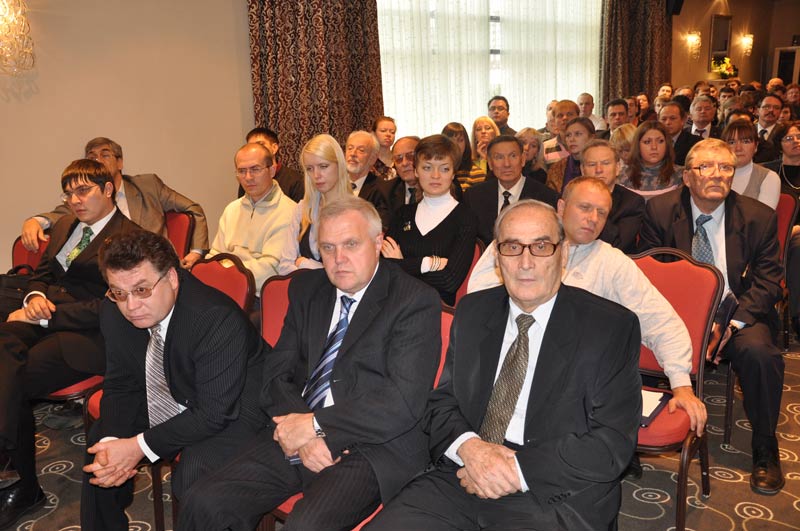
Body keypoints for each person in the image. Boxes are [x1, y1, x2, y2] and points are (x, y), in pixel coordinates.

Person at [368, 199, 642, 531]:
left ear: (563, 254)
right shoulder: (473, 311)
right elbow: (442, 403)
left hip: (553, 491)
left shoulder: (610, 327)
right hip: (466, 470)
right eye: (512, 247)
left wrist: (515, 470)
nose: (525, 263)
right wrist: (471, 450)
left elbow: (612, 443)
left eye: (541, 246)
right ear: (498, 258)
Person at [179, 196, 442, 530]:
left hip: (370, 448)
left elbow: (401, 402)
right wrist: (303, 431)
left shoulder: (413, 300)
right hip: (297, 427)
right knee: (204, 501)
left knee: (305, 526)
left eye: (351, 244)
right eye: (328, 248)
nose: (338, 259)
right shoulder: (308, 289)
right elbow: (276, 373)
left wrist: (317, 426)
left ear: (378, 243)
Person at [467, 177, 702, 432]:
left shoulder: (612, 263)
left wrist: (681, 384)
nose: (593, 219)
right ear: (561, 207)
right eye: (585, 207)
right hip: (508, 364)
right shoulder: (519, 240)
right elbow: (478, 303)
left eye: (602, 213)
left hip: (569, 385)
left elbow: (660, 321)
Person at [80, 230, 269, 530]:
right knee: (101, 447)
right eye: (119, 293)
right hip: (174, 387)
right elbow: (121, 382)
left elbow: (213, 413)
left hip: (236, 402)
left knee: (194, 474)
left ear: (171, 277)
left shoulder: (214, 316)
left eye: (142, 290)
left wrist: (138, 447)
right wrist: (114, 444)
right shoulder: (114, 310)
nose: (131, 306)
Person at [639, 138, 785, 495]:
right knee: (625, 333)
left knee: (760, 353)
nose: (717, 174)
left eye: (725, 167)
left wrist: (729, 324)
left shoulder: (758, 216)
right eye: (706, 167)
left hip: (737, 310)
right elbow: (652, 275)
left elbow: (768, 281)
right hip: (677, 312)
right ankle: (629, 432)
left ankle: (765, 446)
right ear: (687, 176)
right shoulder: (660, 210)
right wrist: (688, 324)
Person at [0, 159, 139, 529]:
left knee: (12, 379)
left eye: (83, 190)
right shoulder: (65, 226)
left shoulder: (128, 239)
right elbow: (43, 274)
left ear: (108, 189)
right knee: (4, 349)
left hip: (89, 336)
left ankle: (21, 485)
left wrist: (46, 317)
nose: (74, 200)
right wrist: (33, 298)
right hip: (46, 318)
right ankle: (11, 467)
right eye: (68, 193)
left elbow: (110, 306)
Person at [20, 137, 208, 269]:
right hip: (105, 270)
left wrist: (196, 252)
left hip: (150, 264)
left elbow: (193, 209)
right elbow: (60, 213)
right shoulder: (83, 198)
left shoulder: (148, 185)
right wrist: (35, 221)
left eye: (105, 155)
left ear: (120, 163)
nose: (98, 160)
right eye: (92, 157)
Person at [382, 135, 478, 305]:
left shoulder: (465, 217)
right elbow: (383, 270)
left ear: (453, 173)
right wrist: (428, 263)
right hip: (394, 304)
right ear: (416, 171)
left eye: (444, 169)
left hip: (436, 309)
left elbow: (449, 282)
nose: (435, 175)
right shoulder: (402, 214)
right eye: (427, 168)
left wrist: (402, 264)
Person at [207, 143, 296, 292]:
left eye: (255, 169)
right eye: (242, 171)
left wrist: (226, 272)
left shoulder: (289, 212)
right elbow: (214, 256)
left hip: (258, 295)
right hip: (224, 289)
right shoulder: (232, 209)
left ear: (272, 170)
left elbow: (270, 270)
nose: (248, 177)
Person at [464, 135, 558, 247]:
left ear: (523, 159)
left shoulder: (546, 197)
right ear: (490, 163)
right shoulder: (473, 196)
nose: (507, 164)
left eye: (513, 156)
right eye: (499, 157)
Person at [278, 134, 351, 275]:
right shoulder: (302, 208)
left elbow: (347, 272)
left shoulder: (355, 212)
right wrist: (321, 270)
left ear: (339, 165)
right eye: (310, 169)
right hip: (302, 288)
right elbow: (284, 267)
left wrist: (304, 264)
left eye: (323, 166)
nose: (316, 175)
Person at [764, 121, 800, 337]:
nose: (796, 141)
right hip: (774, 233)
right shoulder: (768, 172)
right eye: (789, 138)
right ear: (779, 144)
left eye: (799, 137)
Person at [580, 139, 645, 253]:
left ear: (618, 167)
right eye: (592, 164)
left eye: (605, 163)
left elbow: (617, 245)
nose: (599, 170)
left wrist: (597, 203)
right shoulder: (573, 199)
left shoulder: (632, 202)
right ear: (582, 170)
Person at [722, 120, 780, 209]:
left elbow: (764, 216)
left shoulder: (768, 177)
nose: (738, 148)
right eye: (732, 142)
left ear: (756, 146)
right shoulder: (714, 175)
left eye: (745, 142)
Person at [619, 121, 684, 200]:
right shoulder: (622, 177)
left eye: (660, 141)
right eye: (647, 142)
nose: (654, 147)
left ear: (667, 144)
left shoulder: (681, 176)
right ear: (638, 145)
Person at [344, 130, 392, 229]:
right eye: (350, 148)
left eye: (361, 150)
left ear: (373, 159)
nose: (353, 153)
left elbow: (380, 227)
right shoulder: (334, 184)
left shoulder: (382, 190)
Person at [243, 127, 305, 202]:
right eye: (251, 147)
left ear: (274, 148)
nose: (255, 150)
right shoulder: (247, 178)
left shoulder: (295, 180)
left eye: (261, 145)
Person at [545, 117, 595, 193]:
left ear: (591, 137)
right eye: (568, 135)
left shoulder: (601, 166)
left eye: (578, 134)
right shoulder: (557, 168)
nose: (572, 139)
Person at [442, 122, 486, 191]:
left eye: (460, 140)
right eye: (451, 141)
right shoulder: (437, 172)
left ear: (466, 143)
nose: (456, 145)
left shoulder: (476, 173)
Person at [386, 136, 421, 215]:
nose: (404, 163)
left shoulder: (437, 188)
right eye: (398, 158)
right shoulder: (387, 191)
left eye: (411, 156)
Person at [659, 101, 701, 166]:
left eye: (672, 118)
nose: (668, 122)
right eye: (664, 119)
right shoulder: (654, 142)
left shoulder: (695, 143)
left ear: (683, 120)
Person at [754, 93, 788, 163]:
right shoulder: (748, 130)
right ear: (757, 110)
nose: (771, 110)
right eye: (766, 107)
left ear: (780, 112)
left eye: (776, 108)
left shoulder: (785, 132)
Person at [542, 100, 579, 164]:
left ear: (578, 117)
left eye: (569, 114)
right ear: (555, 120)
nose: (565, 118)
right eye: (560, 115)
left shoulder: (588, 145)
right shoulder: (545, 148)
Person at [371, 116, 397, 181]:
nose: (388, 134)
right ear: (373, 134)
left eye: (392, 132)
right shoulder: (368, 160)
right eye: (383, 131)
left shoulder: (399, 159)